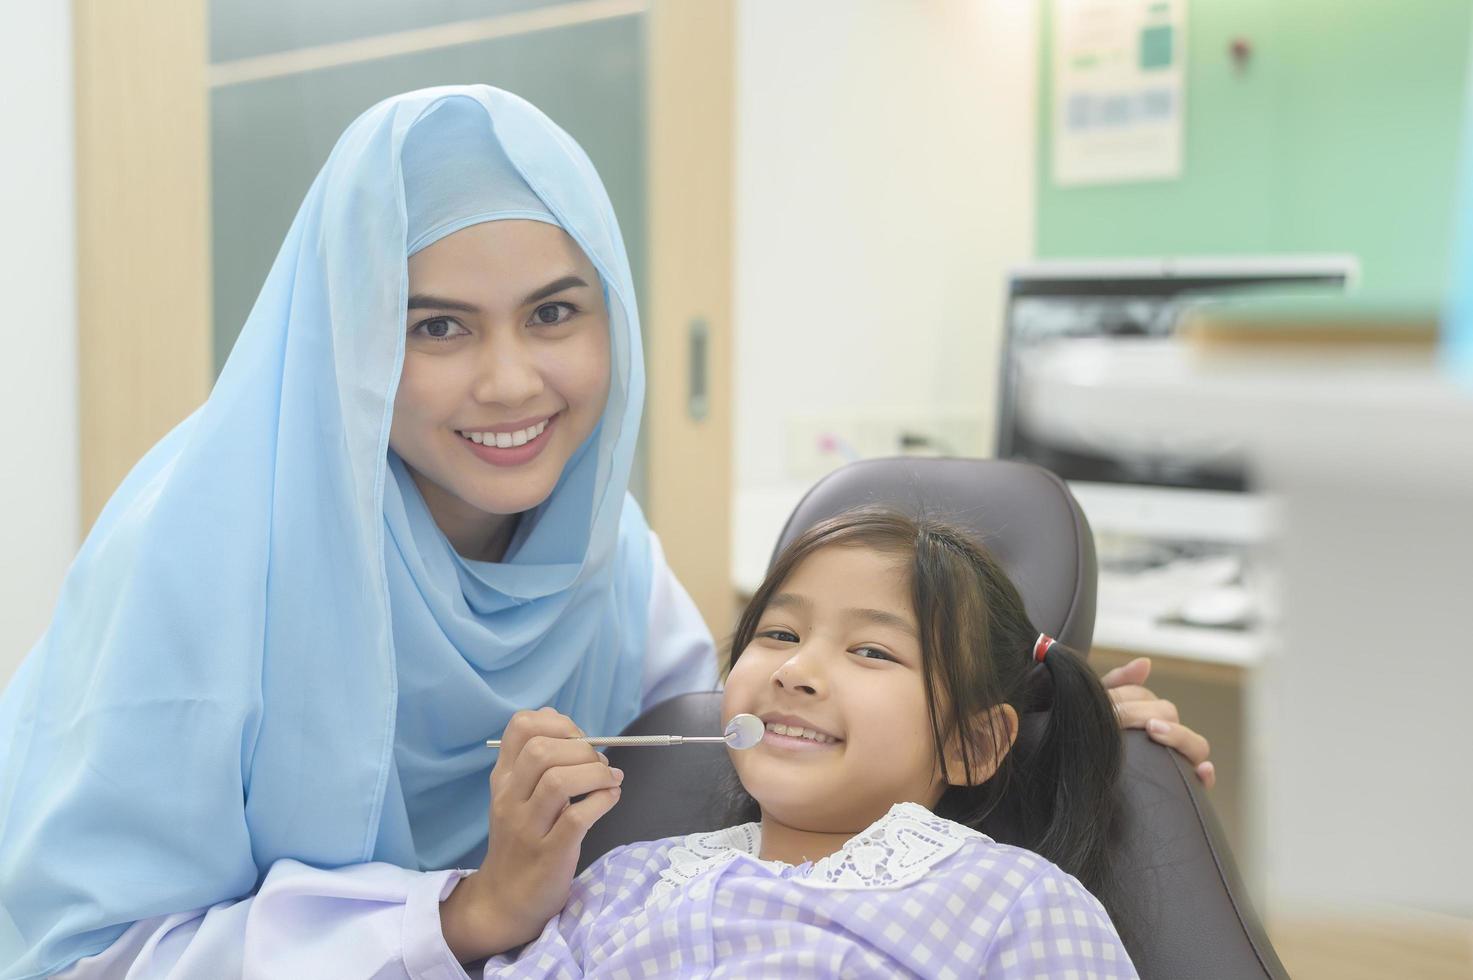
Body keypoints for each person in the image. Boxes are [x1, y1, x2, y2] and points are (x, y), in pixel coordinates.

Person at [0, 86, 1204, 979]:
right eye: (436, 327)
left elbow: (720, 721)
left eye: (555, 312)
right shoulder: (198, 552)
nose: (513, 382)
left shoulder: (596, 547)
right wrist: (464, 913)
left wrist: (1048, 707)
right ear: (348, 336)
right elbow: (84, 954)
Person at [469, 507, 1137, 977]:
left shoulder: (1015, 903)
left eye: (871, 650)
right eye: (779, 635)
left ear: (972, 744)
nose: (794, 672)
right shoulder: (622, 881)